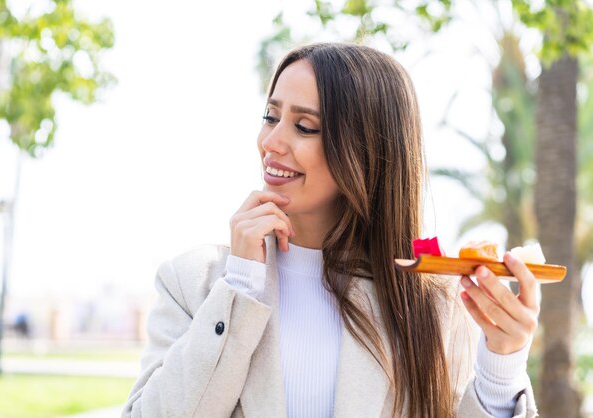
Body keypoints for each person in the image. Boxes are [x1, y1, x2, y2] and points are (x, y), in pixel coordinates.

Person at [122, 43, 538, 418]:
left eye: (305, 127)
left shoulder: (432, 303)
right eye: (271, 116)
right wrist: (240, 287)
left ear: (366, 151)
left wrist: (501, 369)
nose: (272, 141)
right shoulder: (193, 282)